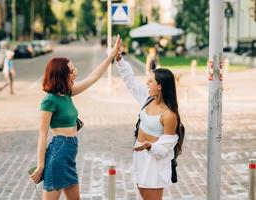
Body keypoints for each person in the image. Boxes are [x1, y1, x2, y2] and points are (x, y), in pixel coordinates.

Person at [29, 35, 121, 200]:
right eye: (71, 71)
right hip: (58, 152)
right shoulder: (49, 100)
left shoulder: (67, 93)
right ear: (60, 74)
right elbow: (42, 134)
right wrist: (41, 165)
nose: (75, 73)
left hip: (69, 153)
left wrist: (111, 56)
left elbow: (92, 78)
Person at [115, 48, 185, 200]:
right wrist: (120, 60)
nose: (147, 82)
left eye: (151, 80)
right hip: (140, 156)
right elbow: (130, 81)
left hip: (154, 162)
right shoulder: (147, 99)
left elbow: (165, 149)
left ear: (159, 86)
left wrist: (150, 146)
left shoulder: (169, 115)